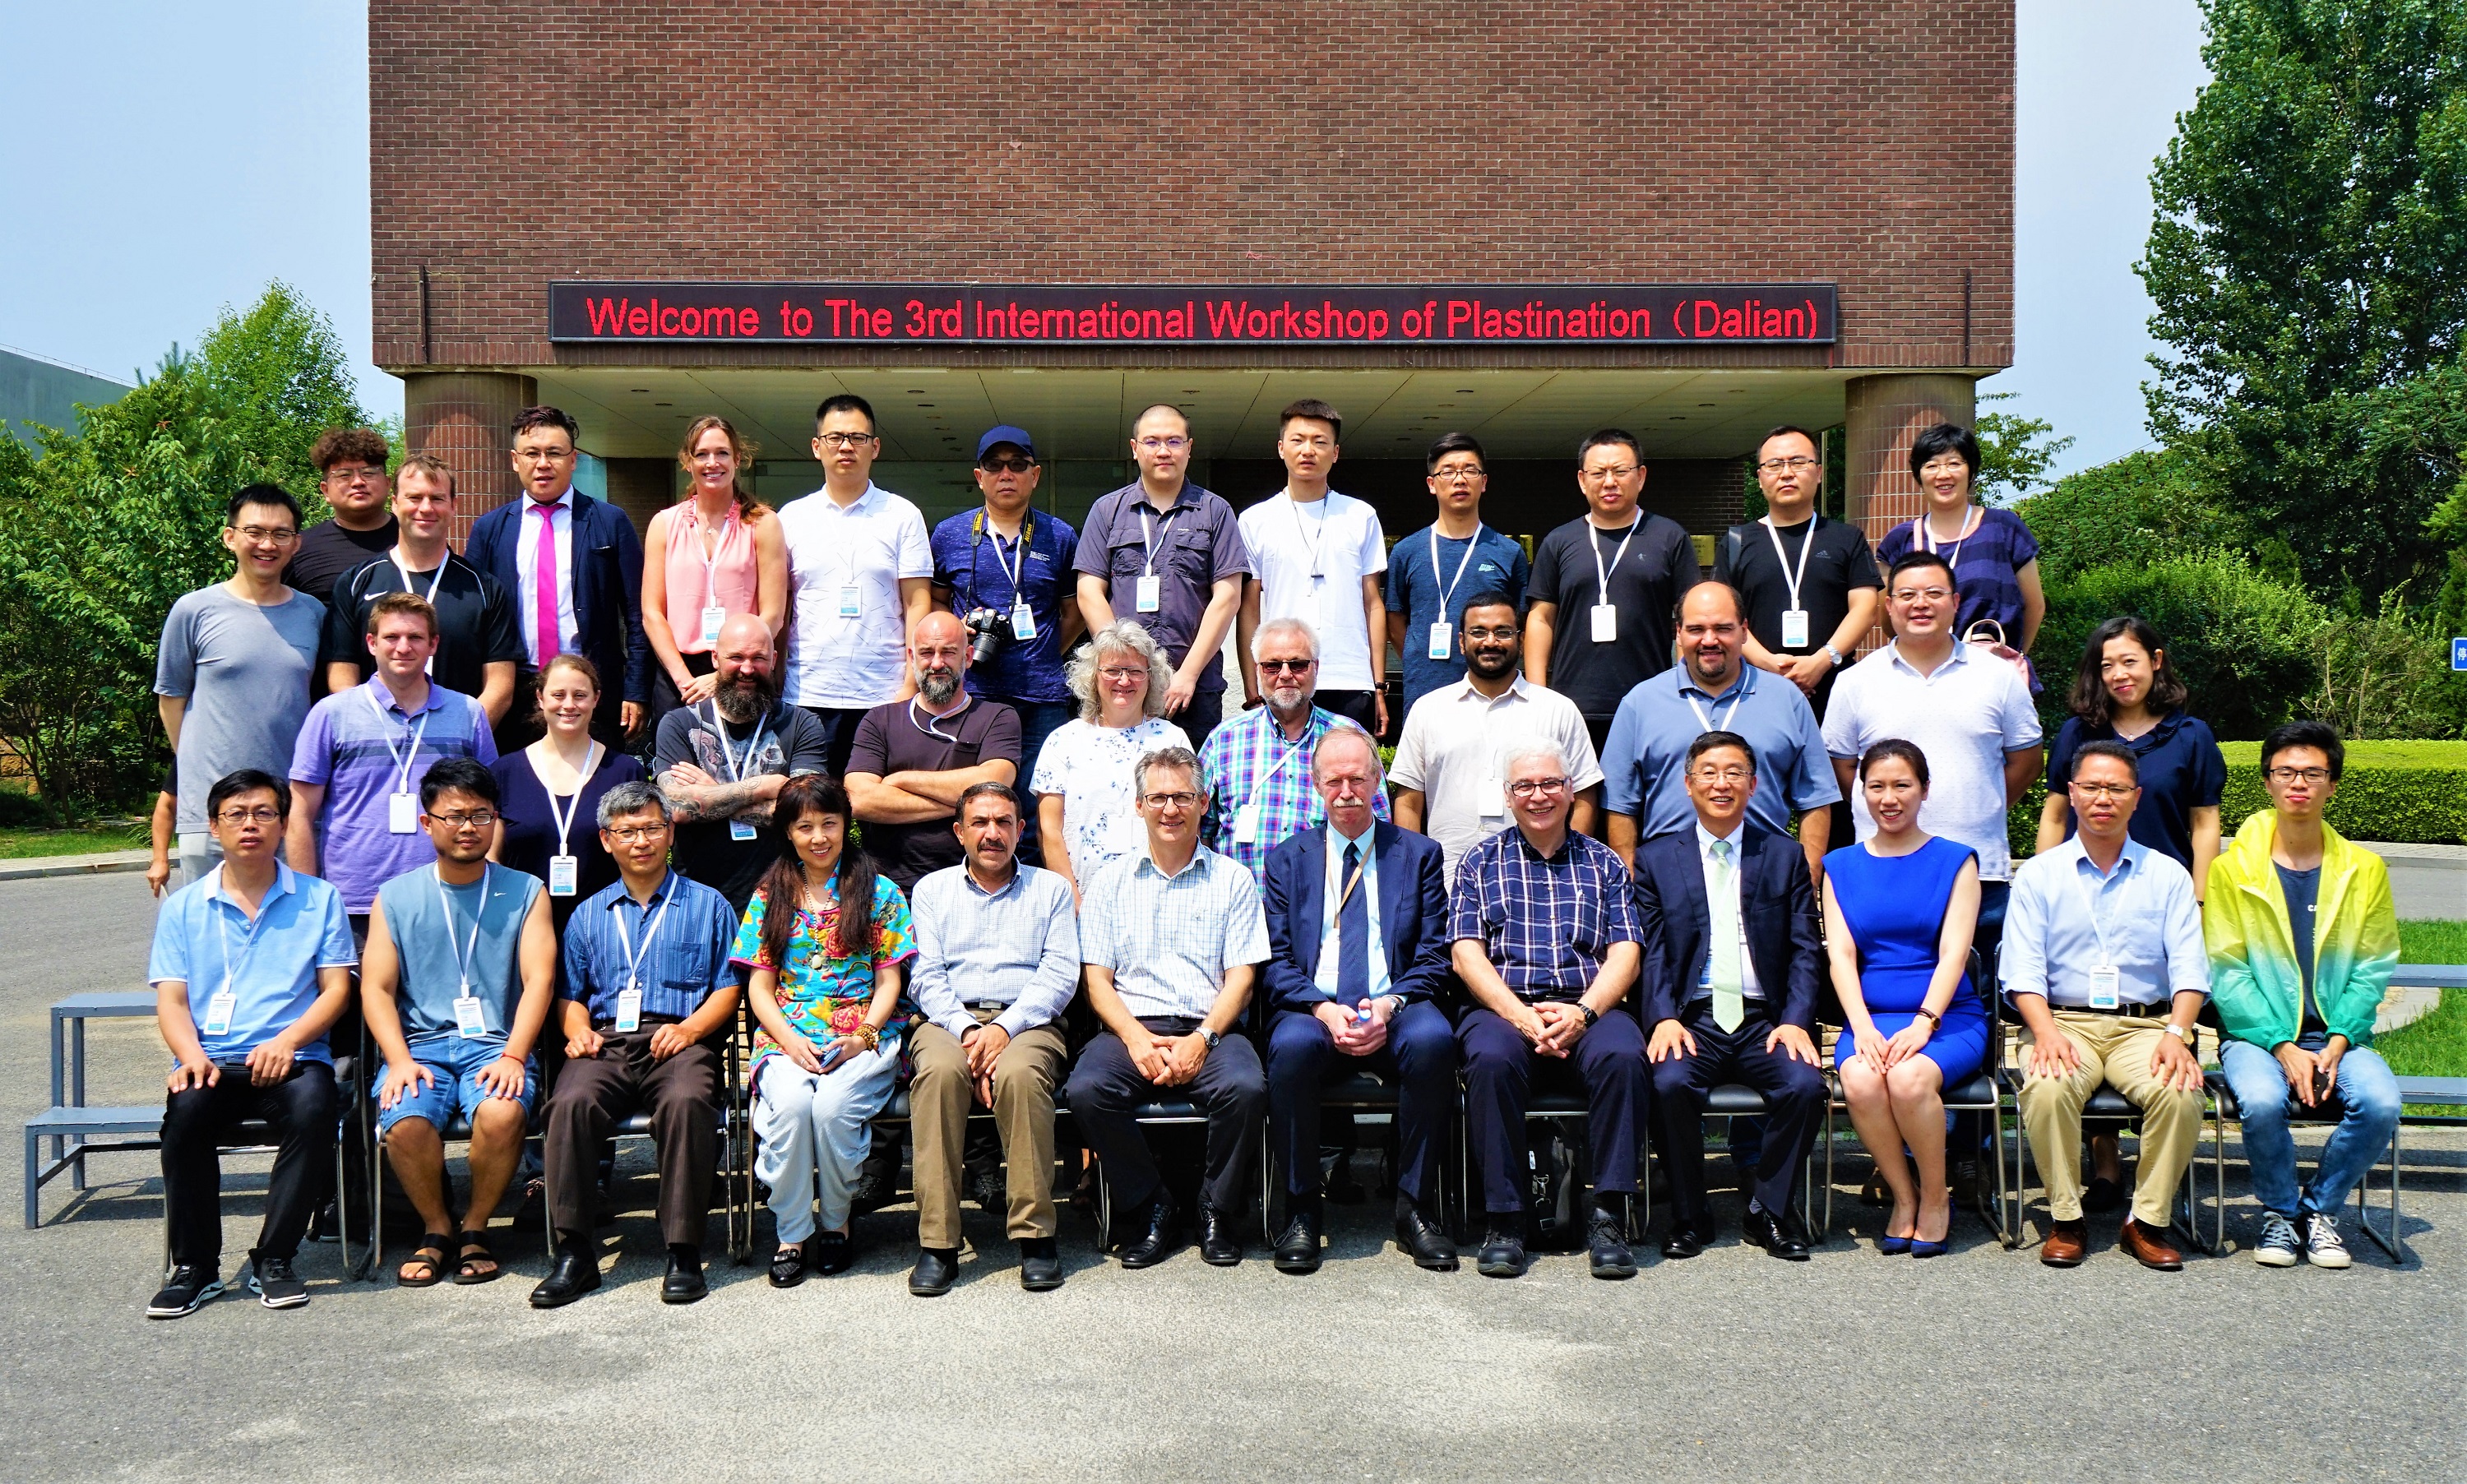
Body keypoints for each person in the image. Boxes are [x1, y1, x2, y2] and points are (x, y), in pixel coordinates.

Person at [145, 770, 354, 1319]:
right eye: (236, 814)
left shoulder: (319, 899)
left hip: (294, 1058)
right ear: (214, 827)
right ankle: (195, 1267)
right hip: (212, 1058)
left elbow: (337, 990)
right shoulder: (184, 906)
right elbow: (172, 1001)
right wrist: (191, 1057)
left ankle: (276, 1257)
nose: (250, 824)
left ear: (283, 824)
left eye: (264, 813)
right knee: (185, 1117)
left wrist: (289, 1040)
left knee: (315, 1109)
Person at [531, 782, 746, 1307]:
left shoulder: (709, 905)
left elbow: (728, 988)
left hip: (681, 1039)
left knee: (687, 1102)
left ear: (670, 833)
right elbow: (570, 995)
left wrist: (691, 1030)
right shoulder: (588, 914)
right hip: (604, 1040)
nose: (641, 841)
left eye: (651, 828)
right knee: (570, 1103)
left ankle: (683, 1250)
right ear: (607, 841)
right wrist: (576, 1030)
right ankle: (575, 1253)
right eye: (627, 832)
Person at [2039, 615, 2227, 1208]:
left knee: (2151, 1020)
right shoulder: (2079, 733)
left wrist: (2198, 899)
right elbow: (2054, 813)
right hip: (2084, 892)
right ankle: (2103, 1164)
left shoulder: (2190, 736)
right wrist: (2044, 883)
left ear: (2156, 661)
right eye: (2107, 665)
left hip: (2157, 898)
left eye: (2130, 661)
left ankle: (2155, 1177)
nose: (2119, 674)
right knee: (2089, 1011)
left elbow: (2205, 822)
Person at [2002, 741, 2210, 1270]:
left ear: (2136, 798)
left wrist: (2178, 1034)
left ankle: (2146, 1221)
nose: (2103, 798)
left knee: (2181, 1092)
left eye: (2116, 789)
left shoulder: (2168, 874)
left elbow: (2191, 968)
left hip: (2147, 1026)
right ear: (2071, 793)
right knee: (2047, 1088)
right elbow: (2022, 970)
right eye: (2092, 787)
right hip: (2062, 1022)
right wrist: (2045, 1032)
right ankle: (2066, 1219)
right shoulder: (2039, 875)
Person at [2205, 721, 2403, 1270]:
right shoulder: (2231, 871)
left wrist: (2339, 1039)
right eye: (2286, 771)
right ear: (2267, 780)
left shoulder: (2364, 870)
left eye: (2313, 773)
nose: (2299, 783)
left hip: (2338, 1035)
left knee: (2382, 1103)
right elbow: (2226, 969)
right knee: (2262, 1099)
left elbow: (2372, 966)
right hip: (2255, 1036)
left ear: (2332, 785)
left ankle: (2318, 1211)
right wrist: (2280, 1044)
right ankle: (2279, 1210)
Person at [1259, 728, 1457, 1273]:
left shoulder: (1417, 854)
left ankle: (1416, 1208)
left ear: (1376, 781)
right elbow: (1275, 959)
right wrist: (1324, 1009)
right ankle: (1302, 1209)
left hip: (1396, 1003)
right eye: (1334, 780)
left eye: (1357, 778)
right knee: (1290, 1050)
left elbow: (1434, 956)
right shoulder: (1287, 859)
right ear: (1316, 785)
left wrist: (1389, 1005)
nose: (1346, 791)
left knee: (1435, 1040)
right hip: (1315, 1007)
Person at [1067, 746, 1271, 1269]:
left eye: (1182, 797)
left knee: (1246, 1088)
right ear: (1139, 806)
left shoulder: (1234, 879)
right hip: (1131, 1028)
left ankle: (1215, 1209)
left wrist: (1202, 1040)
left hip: (1213, 1028)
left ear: (1203, 803)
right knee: (1087, 1090)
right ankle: (1151, 1205)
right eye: (1158, 798)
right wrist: (1135, 1039)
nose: (1170, 809)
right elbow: (1097, 980)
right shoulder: (1110, 881)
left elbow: (1242, 978)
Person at [1451, 743, 1648, 1280]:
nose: (1538, 796)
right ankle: (1505, 1220)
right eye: (1524, 786)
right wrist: (1519, 1015)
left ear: (1570, 791)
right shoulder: (1478, 862)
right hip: (1503, 1008)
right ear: (1508, 796)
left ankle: (1608, 1216)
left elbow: (1626, 954)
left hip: (1588, 1005)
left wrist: (1583, 1013)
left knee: (1624, 1056)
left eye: (1550, 784)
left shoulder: (1604, 863)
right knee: (1489, 1060)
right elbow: (1466, 954)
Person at [358, 758, 554, 1289]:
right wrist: (398, 1060)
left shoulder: (526, 890)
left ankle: (475, 1226)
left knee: (502, 1112)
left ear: (496, 820)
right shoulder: (395, 896)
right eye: (454, 816)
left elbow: (539, 980)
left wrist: (515, 1055)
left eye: (481, 815)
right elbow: (376, 988)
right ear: (427, 822)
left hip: (495, 1045)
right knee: (405, 1120)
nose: (469, 827)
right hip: (419, 1047)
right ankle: (437, 1227)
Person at [1632, 733, 1827, 1261]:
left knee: (1805, 1086)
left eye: (1735, 772)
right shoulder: (1655, 859)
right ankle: (1690, 1216)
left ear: (1754, 784)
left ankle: (1769, 1210)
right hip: (1692, 1017)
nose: (1722, 783)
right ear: (1688, 783)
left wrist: (1795, 1020)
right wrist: (1662, 1017)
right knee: (1668, 1084)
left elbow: (1806, 948)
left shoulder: (1784, 855)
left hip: (1766, 1019)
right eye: (1710, 772)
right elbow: (1651, 951)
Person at [738, 774, 915, 1285]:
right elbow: (759, 988)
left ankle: (836, 1222)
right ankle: (792, 1233)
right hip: (786, 1036)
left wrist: (863, 1036)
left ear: (846, 825)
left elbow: (889, 981)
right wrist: (788, 1041)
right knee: (793, 1109)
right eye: (805, 827)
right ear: (788, 832)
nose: (818, 837)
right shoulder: (770, 894)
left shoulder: (880, 891)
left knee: (833, 1110)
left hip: (862, 1034)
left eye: (829, 824)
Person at [905, 782, 1080, 1295]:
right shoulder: (932, 891)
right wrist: (968, 1031)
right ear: (959, 832)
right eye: (979, 822)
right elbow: (925, 976)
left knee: (1021, 1075)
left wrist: (1004, 1029)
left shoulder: (1050, 890)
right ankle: (938, 1242)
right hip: (949, 1021)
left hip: (1029, 1021)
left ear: (1020, 830)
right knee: (940, 1073)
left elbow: (1060, 974)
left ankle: (1035, 1236)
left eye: (1003, 822)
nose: (992, 833)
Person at [1823, 551, 2043, 960]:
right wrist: (1890, 809)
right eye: (1907, 595)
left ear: (1956, 603)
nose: (1920, 604)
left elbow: (2028, 761)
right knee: (1884, 987)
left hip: (1978, 870)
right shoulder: (1855, 682)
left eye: (1934, 593)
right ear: (1889, 606)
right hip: (1882, 871)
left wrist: (1984, 801)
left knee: (1976, 992)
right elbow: (1843, 766)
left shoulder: (1998, 676)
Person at [1821, 739, 1988, 1257]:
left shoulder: (1956, 861)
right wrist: (1862, 1027)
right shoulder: (1839, 865)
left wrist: (1923, 1022)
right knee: (1860, 1078)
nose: (1888, 798)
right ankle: (1904, 1194)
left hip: (1947, 1017)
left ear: (1924, 790)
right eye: (1876, 786)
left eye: (1902, 785)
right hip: (1870, 1017)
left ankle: (1936, 1197)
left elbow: (1955, 955)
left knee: (1909, 1078)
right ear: (1861, 792)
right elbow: (1841, 957)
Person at [287, 593, 498, 934]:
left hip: (449, 899)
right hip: (353, 904)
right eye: (391, 637)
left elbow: (492, 809)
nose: (403, 647)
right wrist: (307, 899)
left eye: (415, 637)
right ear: (371, 643)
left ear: (433, 644)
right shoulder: (331, 714)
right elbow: (299, 813)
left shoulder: (468, 713)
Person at [1600, 580, 1840, 878]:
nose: (1709, 640)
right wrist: (1631, 882)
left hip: (1765, 873)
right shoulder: (1640, 702)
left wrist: (1807, 879)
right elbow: (1620, 804)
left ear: (1744, 631)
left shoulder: (1787, 699)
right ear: (1678, 633)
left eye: (1723, 628)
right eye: (1696, 629)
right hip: (1669, 876)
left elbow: (1816, 798)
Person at [156, 484, 326, 887]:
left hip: (289, 812)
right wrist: (196, 770)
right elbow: (171, 700)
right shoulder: (193, 610)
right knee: (209, 919)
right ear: (230, 537)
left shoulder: (314, 614)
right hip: (211, 811)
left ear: (296, 543)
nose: (267, 544)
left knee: (292, 918)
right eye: (255, 532)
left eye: (281, 534)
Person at [463, 405, 650, 748]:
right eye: (532, 453)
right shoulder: (489, 530)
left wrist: (636, 690)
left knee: (596, 781)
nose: (543, 463)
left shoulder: (610, 521)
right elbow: (473, 620)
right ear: (515, 460)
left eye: (554, 453)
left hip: (591, 690)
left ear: (573, 459)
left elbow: (638, 614)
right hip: (516, 693)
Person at [1390, 594, 1602, 881]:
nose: (1490, 642)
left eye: (1503, 632)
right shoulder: (1428, 710)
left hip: (1540, 880)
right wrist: (1413, 876)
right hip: (1446, 879)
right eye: (1478, 632)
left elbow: (1585, 794)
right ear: (1461, 642)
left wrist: (1567, 871)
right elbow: (1408, 802)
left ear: (1521, 640)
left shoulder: (1557, 709)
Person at [776, 394, 934, 776]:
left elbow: (917, 603)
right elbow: (782, 607)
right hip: (808, 693)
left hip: (885, 693)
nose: (846, 446)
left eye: (857, 437)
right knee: (811, 804)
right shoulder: (792, 518)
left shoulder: (902, 515)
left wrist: (910, 684)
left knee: (880, 803)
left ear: (874, 447)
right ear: (817, 447)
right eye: (835, 437)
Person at [1073, 404, 1247, 748]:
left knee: (1191, 777)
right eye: (1152, 442)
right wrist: (1121, 666)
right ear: (1135, 448)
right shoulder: (1107, 511)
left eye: (1174, 441)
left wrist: (1189, 674)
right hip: (1122, 687)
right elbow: (1089, 591)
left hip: (1195, 686)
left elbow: (1228, 598)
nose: (1164, 451)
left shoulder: (1216, 511)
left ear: (1189, 448)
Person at [930, 425, 1081, 815]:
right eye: (994, 466)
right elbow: (935, 601)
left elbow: (1075, 611)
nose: (1006, 474)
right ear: (979, 477)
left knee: (1040, 807)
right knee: (973, 804)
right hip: (972, 692)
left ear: (1036, 475)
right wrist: (957, 633)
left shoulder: (1060, 536)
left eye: (1017, 464)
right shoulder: (949, 534)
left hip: (1041, 696)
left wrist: (1045, 650)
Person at [1525, 428, 1701, 753]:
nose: (1609, 481)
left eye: (1620, 471)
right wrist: (1538, 696)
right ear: (1582, 480)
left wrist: (1684, 688)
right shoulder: (1559, 541)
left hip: (1650, 702)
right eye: (1598, 473)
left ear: (1641, 476)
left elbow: (1689, 621)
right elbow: (1541, 618)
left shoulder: (1669, 537)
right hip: (1572, 706)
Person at [325, 453, 521, 728]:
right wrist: (374, 734)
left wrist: (458, 736)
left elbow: (500, 686)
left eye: (437, 498)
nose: (426, 508)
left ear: (453, 505)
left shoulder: (484, 588)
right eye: (414, 497)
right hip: (376, 742)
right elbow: (341, 674)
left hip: (456, 747)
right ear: (395, 503)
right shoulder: (356, 582)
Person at [654, 614, 831, 911]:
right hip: (697, 896)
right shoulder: (678, 724)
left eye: (758, 658)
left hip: (784, 895)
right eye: (736, 657)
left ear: (774, 660)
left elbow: (807, 812)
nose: (747, 669)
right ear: (715, 659)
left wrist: (711, 794)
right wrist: (762, 787)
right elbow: (678, 809)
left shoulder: (802, 724)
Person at [1236, 400, 1388, 734]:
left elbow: (1373, 603)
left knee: (1348, 767)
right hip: (1282, 676)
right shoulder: (1255, 520)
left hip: (1349, 676)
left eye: (1320, 442)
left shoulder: (1360, 515)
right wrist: (1252, 687)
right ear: (1281, 448)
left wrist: (1378, 685)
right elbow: (1248, 608)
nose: (1308, 450)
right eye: (1298, 440)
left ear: (1335, 453)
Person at [1198, 617, 1386, 885]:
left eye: (1298, 664)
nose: (1285, 674)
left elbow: (1380, 825)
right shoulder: (1223, 740)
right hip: (1241, 904)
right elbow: (1200, 828)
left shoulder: (1349, 736)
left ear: (1316, 668)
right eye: (1272, 665)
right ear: (1258, 670)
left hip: (1327, 904)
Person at [845, 610, 1022, 893]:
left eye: (948, 652)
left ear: (967, 657)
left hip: (972, 886)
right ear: (912, 658)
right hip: (890, 888)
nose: (937, 663)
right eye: (927, 653)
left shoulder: (997, 717)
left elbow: (995, 784)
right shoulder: (880, 720)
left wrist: (901, 780)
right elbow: (859, 800)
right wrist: (965, 806)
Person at [1710, 425, 1880, 721]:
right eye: (1774, 465)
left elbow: (1865, 609)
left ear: (1819, 472)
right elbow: (1723, 616)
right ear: (1760, 478)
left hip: (1835, 690)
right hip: (1755, 690)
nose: (1786, 473)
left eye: (1798, 462)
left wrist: (1822, 661)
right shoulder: (1737, 542)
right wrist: (1768, 664)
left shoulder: (1846, 538)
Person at [641, 414, 788, 727]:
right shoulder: (664, 524)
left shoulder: (763, 523)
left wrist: (723, 673)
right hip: (678, 674)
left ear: (737, 459)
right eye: (702, 454)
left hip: (742, 671)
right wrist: (684, 680)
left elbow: (774, 614)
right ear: (687, 461)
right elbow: (652, 613)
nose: (712, 463)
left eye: (722, 453)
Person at [1030, 619, 1192, 899]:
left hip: (1159, 896)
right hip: (1084, 895)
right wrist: (1073, 900)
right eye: (1113, 671)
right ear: (1093, 676)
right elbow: (1049, 830)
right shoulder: (1063, 741)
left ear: (1151, 677)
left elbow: (1188, 820)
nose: (1124, 681)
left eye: (1135, 671)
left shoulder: (1172, 739)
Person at [1872, 421, 2046, 683]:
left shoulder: (2003, 528)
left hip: (1992, 674)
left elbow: (2034, 605)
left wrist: (2014, 654)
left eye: (1954, 463)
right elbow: (1889, 617)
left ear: (1971, 471)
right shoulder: (1899, 540)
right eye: (1931, 466)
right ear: (1919, 476)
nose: (1943, 474)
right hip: (1926, 676)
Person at [489, 655, 647, 934]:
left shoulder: (624, 771)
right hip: (521, 926)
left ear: (596, 699)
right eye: (558, 695)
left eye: (580, 695)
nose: (569, 704)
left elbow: (641, 854)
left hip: (606, 928)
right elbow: (492, 858)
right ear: (540, 698)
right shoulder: (505, 772)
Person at [1384, 432, 1532, 715]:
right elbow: (1395, 620)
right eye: (1448, 471)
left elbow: (1522, 620)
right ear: (1432, 484)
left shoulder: (1508, 552)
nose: (1460, 479)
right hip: (1424, 689)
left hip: (1493, 692)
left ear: (1484, 482)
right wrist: (1419, 658)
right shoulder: (1406, 551)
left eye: (1470, 471)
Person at [283, 428, 396, 613]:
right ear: (325, 490)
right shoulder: (299, 549)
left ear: (387, 483)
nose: (358, 482)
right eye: (344, 475)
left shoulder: (415, 540)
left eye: (368, 473)